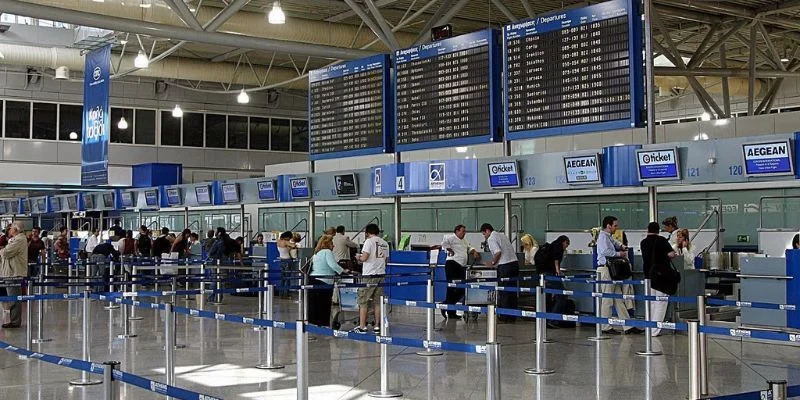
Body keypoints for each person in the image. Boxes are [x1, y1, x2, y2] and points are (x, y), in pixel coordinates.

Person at [596, 216, 644, 335]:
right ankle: (605, 326)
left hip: (611, 271)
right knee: (607, 300)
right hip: (606, 270)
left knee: (618, 299)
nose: (616, 228)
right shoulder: (602, 237)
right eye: (615, 225)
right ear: (608, 226)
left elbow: (614, 242)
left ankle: (627, 326)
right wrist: (619, 253)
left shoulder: (608, 236)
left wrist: (621, 246)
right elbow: (605, 251)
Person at [641, 222, 679, 337]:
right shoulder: (661, 240)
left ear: (648, 230)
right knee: (660, 303)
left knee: (651, 303)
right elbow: (671, 254)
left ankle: (649, 327)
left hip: (648, 275)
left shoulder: (643, 242)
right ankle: (655, 330)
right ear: (658, 231)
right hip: (661, 276)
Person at [353, 223, 389, 334]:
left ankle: (362, 326)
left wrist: (358, 257)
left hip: (369, 275)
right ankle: (377, 326)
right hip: (381, 274)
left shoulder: (369, 241)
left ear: (367, 232)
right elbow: (386, 259)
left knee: (363, 300)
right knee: (378, 302)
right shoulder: (384, 243)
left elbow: (365, 257)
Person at [481, 223, 519, 323]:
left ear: (487, 231)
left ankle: (504, 316)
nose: (484, 236)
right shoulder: (502, 236)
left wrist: (492, 263)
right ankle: (512, 316)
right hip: (514, 265)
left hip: (505, 266)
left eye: (484, 234)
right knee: (512, 291)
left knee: (503, 291)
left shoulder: (491, 238)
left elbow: (498, 252)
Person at [440, 224, 480, 319]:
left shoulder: (464, 240)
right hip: (452, 264)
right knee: (451, 288)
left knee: (462, 288)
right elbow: (444, 244)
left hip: (461, 266)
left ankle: (446, 305)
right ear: (457, 231)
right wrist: (449, 249)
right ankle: (451, 312)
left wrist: (474, 251)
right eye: (462, 231)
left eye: (465, 231)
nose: (464, 233)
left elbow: (469, 247)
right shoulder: (451, 237)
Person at [309, 234, 345, 327]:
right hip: (324, 281)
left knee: (315, 305)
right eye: (332, 243)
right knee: (324, 304)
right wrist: (343, 271)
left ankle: (315, 324)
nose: (333, 245)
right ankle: (324, 324)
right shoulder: (327, 251)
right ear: (327, 244)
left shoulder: (317, 252)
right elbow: (333, 265)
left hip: (314, 279)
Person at [537, 235, 571, 328]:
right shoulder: (558, 246)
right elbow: (556, 260)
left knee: (546, 297)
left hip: (542, 274)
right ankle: (553, 320)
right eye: (567, 245)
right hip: (550, 274)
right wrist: (558, 271)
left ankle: (545, 319)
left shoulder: (550, 246)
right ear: (564, 242)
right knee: (562, 295)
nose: (566, 247)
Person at [1, 222, 28, 328]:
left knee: (14, 298)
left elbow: (6, 253)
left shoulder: (20, 240)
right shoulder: (14, 240)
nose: (9, 230)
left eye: (10, 228)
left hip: (14, 273)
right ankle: (13, 320)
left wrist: (2, 250)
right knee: (11, 297)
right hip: (9, 272)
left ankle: (15, 321)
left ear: (16, 230)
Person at [277, 231, 298, 297]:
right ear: (287, 237)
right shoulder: (286, 242)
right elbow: (294, 245)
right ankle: (286, 293)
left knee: (282, 278)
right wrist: (293, 243)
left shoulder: (278, 241)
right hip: (287, 261)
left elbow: (285, 249)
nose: (289, 239)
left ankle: (281, 293)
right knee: (287, 278)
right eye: (289, 238)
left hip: (281, 260)